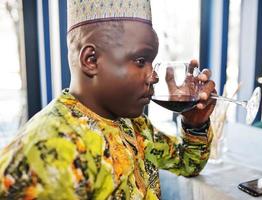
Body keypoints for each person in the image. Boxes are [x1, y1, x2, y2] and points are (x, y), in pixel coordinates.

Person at [0, 0, 216, 199]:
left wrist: (194, 124)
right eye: (141, 61)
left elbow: (187, 163)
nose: (154, 76)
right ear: (91, 60)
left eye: (152, 62)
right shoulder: (46, 151)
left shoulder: (134, 124)